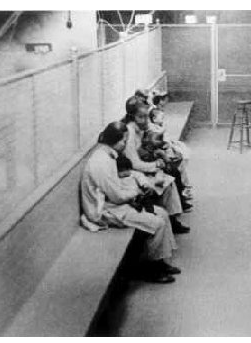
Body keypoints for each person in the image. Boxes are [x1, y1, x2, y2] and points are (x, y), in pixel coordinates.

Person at [80, 122, 180, 284]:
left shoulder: (107, 155)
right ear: (116, 140)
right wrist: (136, 192)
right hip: (104, 211)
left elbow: (116, 191)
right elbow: (117, 196)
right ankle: (151, 270)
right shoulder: (101, 162)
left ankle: (160, 261)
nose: (126, 144)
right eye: (124, 141)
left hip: (112, 204)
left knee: (162, 213)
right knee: (158, 222)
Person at [121, 96, 190, 234]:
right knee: (167, 179)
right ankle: (170, 220)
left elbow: (144, 151)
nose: (146, 120)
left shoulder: (139, 129)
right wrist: (156, 165)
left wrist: (158, 155)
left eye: (147, 116)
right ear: (132, 117)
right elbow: (134, 164)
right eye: (141, 117)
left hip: (142, 169)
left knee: (169, 176)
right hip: (131, 175)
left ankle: (172, 219)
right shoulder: (129, 134)